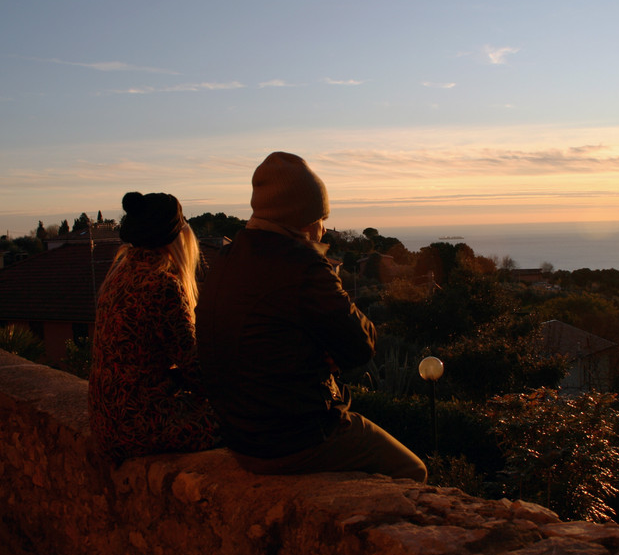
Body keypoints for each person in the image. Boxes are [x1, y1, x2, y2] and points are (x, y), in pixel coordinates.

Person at [196, 152, 426, 481]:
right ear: (305, 219)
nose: (324, 227)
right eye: (322, 217)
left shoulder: (228, 256)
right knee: (412, 470)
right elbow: (361, 347)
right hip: (295, 442)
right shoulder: (301, 263)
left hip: (240, 439)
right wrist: (327, 276)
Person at [88, 191, 219, 463]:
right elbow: (196, 371)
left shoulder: (119, 274)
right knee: (246, 420)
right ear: (178, 237)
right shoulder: (163, 284)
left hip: (108, 423)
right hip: (140, 427)